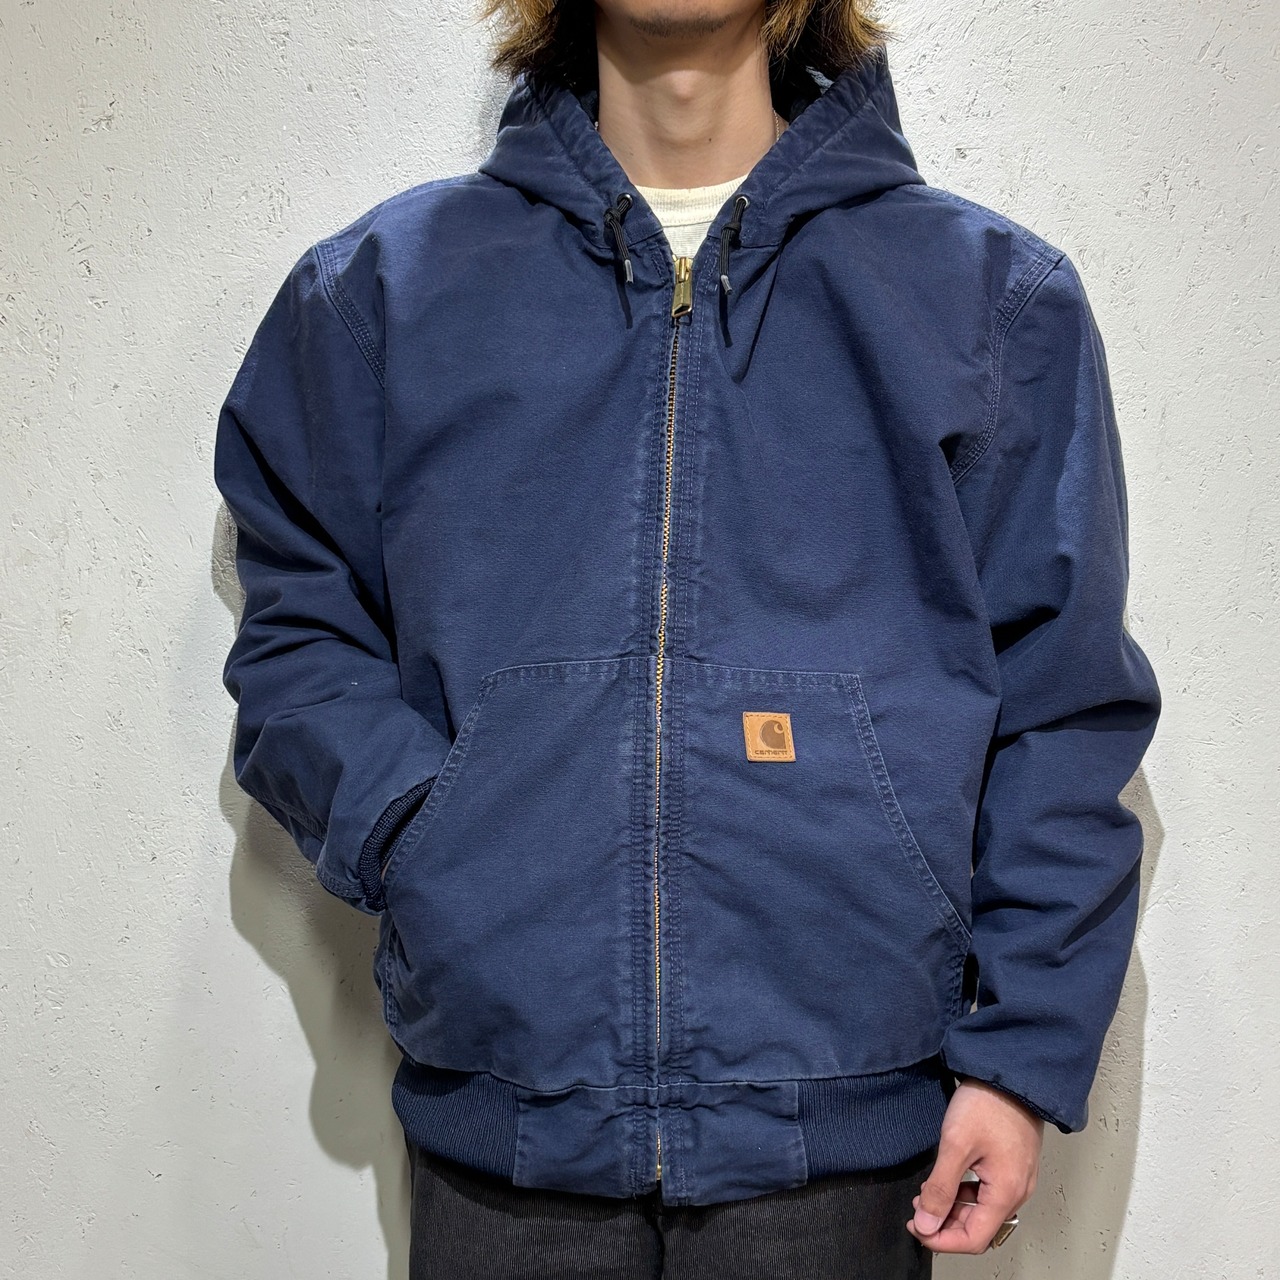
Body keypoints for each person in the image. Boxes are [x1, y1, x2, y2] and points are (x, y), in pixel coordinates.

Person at [213, 0, 1162, 1274]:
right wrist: (422, 830)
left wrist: (1017, 1053)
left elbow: (1062, 703)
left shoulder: (987, 299)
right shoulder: (380, 295)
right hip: (508, 1113)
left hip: (843, 1120)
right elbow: (298, 630)